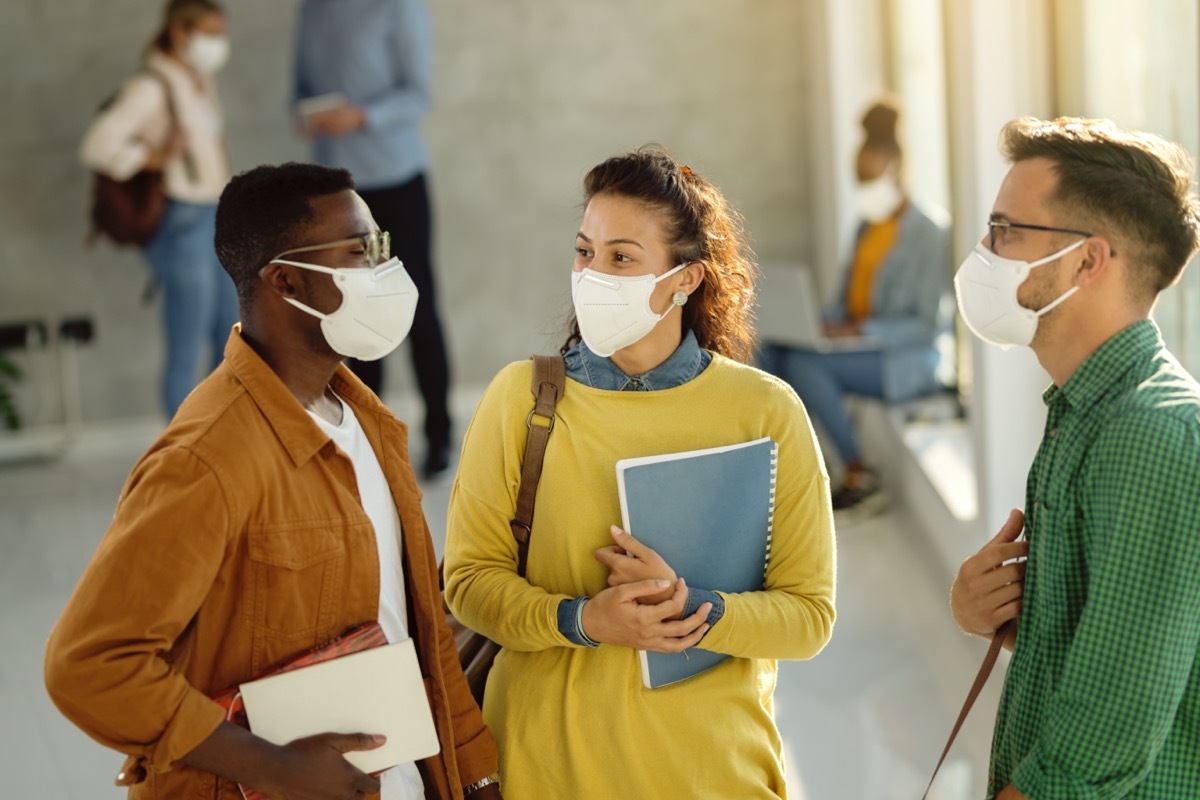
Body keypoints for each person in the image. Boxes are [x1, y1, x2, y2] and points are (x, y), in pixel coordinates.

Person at [44, 163, 501, 800]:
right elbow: (89, 666)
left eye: (382, 247)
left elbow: (418, 632)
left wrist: (477, 776)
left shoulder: (369, 423)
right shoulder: (207, 458)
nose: (383, 270)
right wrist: (271, 766)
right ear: (285, 279)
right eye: (359, 251)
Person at [443, 147, 837, 798]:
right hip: (545, 771)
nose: (594, 273)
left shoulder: (766, 412)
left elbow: (808, 617)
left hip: (715, 774)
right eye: (584, 251)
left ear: (686, 279)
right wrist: (583, 621)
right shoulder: (520, 401)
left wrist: (693, 609)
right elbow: (469, 585)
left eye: (622, 257)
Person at [949, 117, 1200, 799]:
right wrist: (998, 616)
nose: (985, 251)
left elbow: (1114, 714)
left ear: (1089, 260)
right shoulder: (1081, 413)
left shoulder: (1149, 433)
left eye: (1006, 230)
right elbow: (1108, 642)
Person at [762, 98, 950, 513]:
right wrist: (811, 322)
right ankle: (790, 472)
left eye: (872, 178)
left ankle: (860, 472)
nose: (866, 190)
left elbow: (925, 325)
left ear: (897, 170)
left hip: (904, 357)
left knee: (805, 366)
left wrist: (859, 331)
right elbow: (842, 304)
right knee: (770, 353)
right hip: (855, 346)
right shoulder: (866, 226)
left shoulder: (929, 233)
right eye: (859, 180)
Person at [292, 0, 453, 479]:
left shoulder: (399, 7)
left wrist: (362, 117)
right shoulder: (313, 9)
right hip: (338, 191)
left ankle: (440, 436)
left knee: (416, 307)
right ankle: (365, 436)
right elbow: (297, 92)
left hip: (396, 181)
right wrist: (308, 116)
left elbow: (418, 95)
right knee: (351, 309)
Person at [81, 0, 239, 417]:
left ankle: (226, 444)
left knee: (232, 336)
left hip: (212, 217)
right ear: (180, 33)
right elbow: (97, 145)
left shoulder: (197, 78)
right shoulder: (152, 85)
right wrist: (151, 158)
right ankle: (184, 462)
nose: (218, 43)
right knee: (185, 350)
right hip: (180, 224)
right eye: (209, 33)